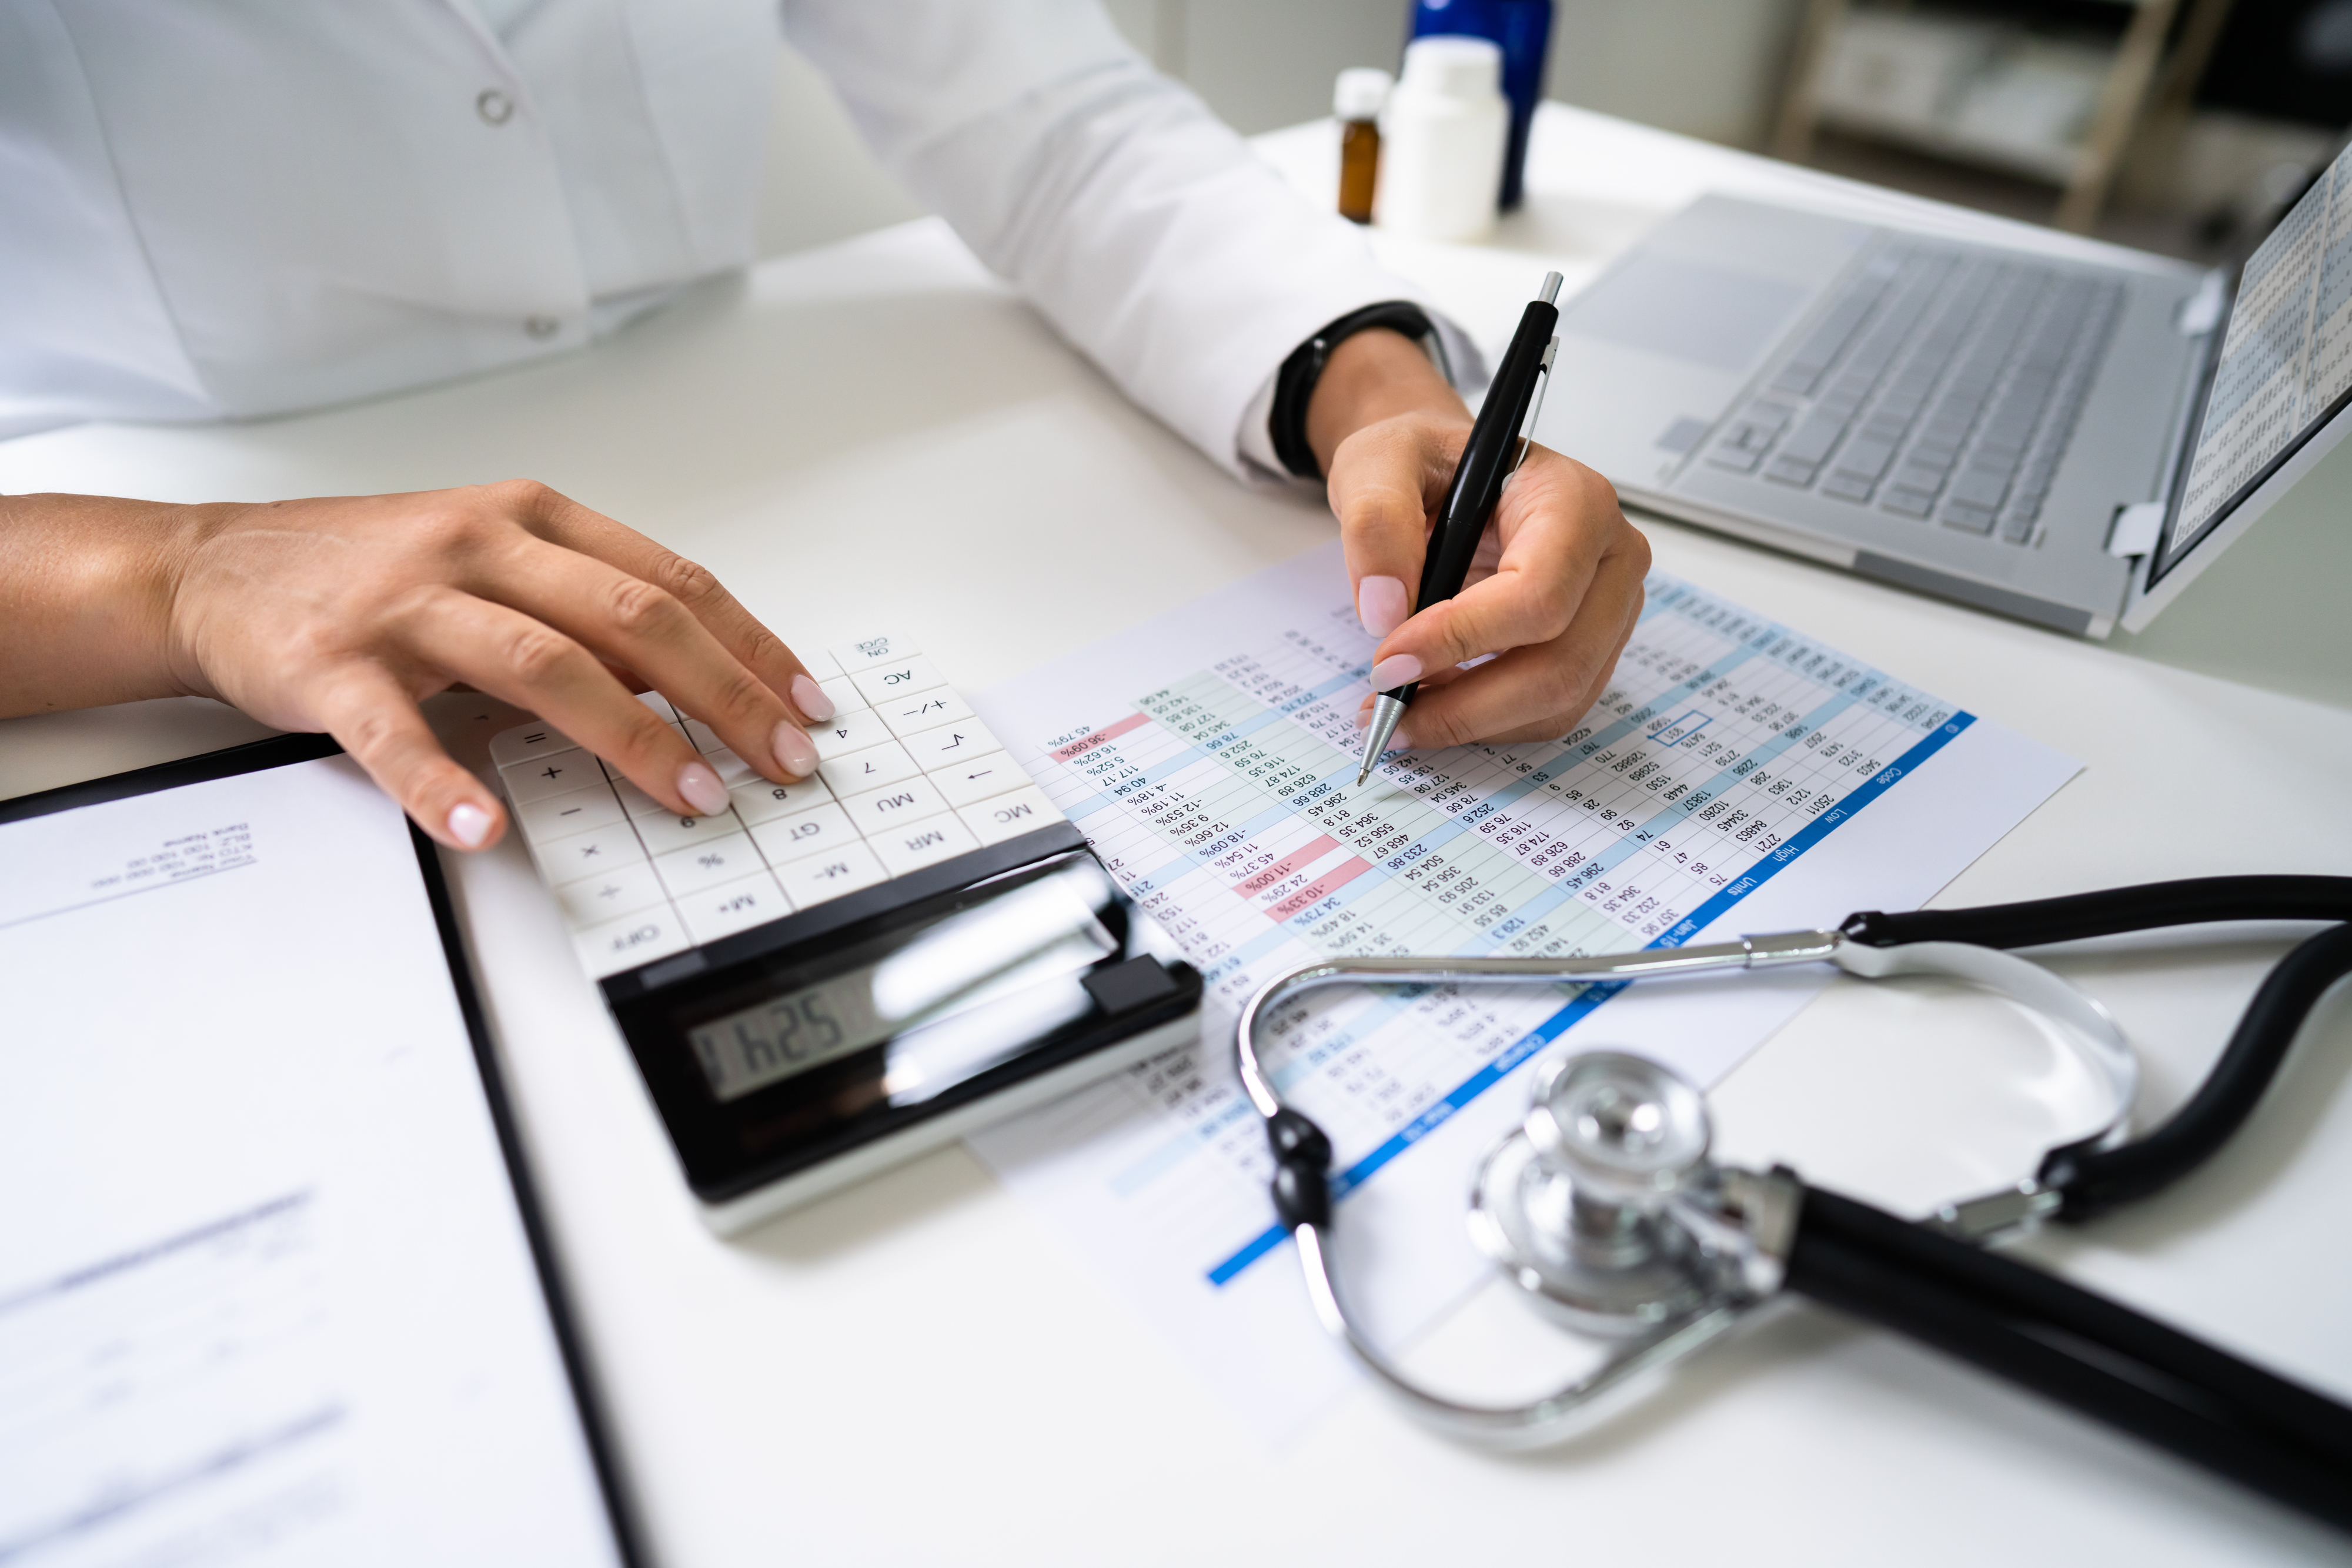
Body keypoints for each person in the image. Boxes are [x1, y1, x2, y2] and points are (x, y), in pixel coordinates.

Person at [0, 0, 1647, 852]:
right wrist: (172, 573)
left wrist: (1371, 384)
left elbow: (1048, 119)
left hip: (749, 475)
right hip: (122, 600)